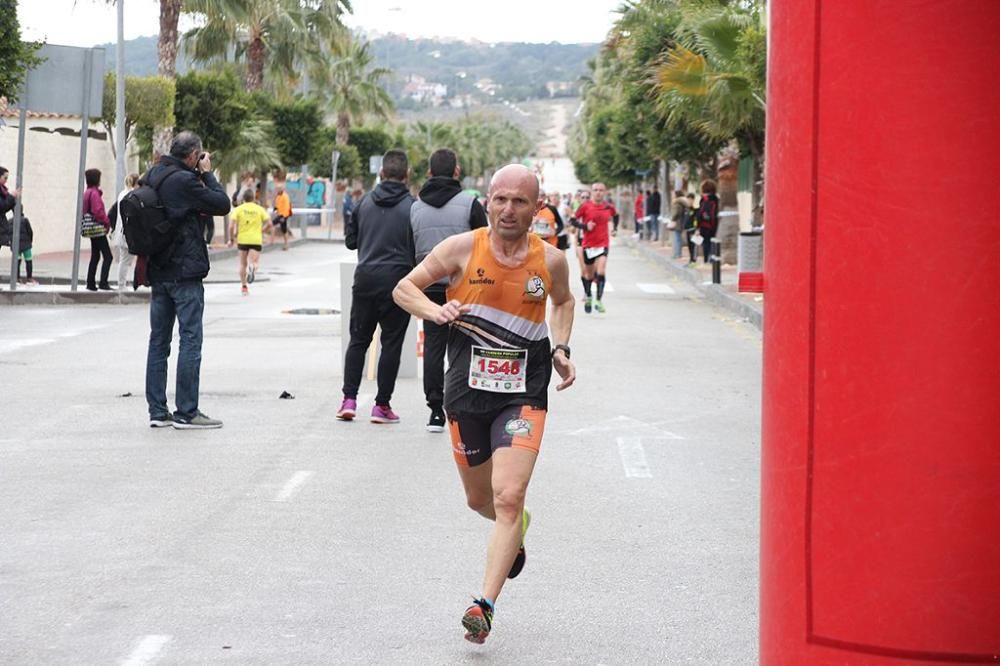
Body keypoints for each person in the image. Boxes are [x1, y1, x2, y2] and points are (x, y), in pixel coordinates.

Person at [392, 163, 576, 645]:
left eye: (520, 201)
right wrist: (437, 309)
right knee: (480, 500)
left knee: (507, 496)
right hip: (467, 394)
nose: (508, 210)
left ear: (538, 208)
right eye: (500, 199)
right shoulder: (460, 249)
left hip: (523, 393)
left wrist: (560, 347)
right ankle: (515, 530)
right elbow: (404, 288)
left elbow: (562, 302)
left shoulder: (550, 261)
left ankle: (484, 605)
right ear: (487, 201)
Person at [144, 131, 231, 429]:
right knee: (190, 340)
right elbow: (221, 204)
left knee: (158, 341)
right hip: (184, 272)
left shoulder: (153, 174)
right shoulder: (186, 181)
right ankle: (187, 411)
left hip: (158, 270)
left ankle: (157, 411)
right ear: (194, 155)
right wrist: (208, 175)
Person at [410, 148, 488, 432]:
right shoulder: (470, 204)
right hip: (467, 289)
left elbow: (411, 251)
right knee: (467, 345)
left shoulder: (415, 207)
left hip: (429, 289)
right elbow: (486, 246)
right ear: (457, 171)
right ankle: (465, 404)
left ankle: (435, 411)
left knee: (433, 346)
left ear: (429, 173)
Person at [336, 149, 416, 424]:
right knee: (391, 344)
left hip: (366, 279)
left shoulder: (364, 203)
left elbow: (350, 242)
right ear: (406, 176)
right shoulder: (413, 206)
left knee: (358, 340)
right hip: (399, 281)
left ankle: (349, 400)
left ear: (381, 173)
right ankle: (381, 406)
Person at [571, 182, 618, 313]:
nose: (598, 192)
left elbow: (616, 215)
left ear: (605, 192)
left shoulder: (609, 207)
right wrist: (585, 227)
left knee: (601, 271)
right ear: (592, 192)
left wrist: (615, 228)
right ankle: (589, 296)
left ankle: (598, 300)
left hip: (603, 244)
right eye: (596, 190)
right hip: (588, 245)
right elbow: (573, 221)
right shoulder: (585, 207)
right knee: (588, 274)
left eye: (601, 190)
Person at [227, 189, 272, 295]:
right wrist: (262, 231)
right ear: (253, 198)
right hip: (256, 239)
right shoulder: (259, 209)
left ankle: (244, 287)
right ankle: (252, 267)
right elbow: (270, 224)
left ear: (243, 199)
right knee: (255, 262)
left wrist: (231, 239)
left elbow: (231, 226)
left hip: (242, 239)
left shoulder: (238, 209)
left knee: (242, 264)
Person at [109, 174, 141, 291]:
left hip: (121, 231)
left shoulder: (122, 193)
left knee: (125, 260)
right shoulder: (131, 195)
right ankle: (122, 285)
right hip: (127, 233)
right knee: (126, 261)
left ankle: (122, 284)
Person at [83, 168, 113, 291]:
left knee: (95, 255)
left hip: (90, 229)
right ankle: (103, 282)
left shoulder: (87, 192)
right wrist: (107, 223)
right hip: (97, 228)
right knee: (108, 256)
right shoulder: (94, 194)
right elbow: (98, 211)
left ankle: (90, 283)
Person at [0, 207, 35, 285]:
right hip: (26, 245)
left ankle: (17, 279)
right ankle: (29, 278)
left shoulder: (10, 221)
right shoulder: (25, 220)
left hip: (16, 246)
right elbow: (30, 232)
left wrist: (11, 243)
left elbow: (8, 233)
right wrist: (30, 241)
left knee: (17, 262)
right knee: (28, 261)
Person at [695, 179, 720, 263]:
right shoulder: (716, 199)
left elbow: (699, 213)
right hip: (713, 224)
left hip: (703, 225)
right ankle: (712, 258)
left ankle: (706, 259)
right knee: (713, 242)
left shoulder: (703, 199)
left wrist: (697, 227)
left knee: (705, 243)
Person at [668, 189, 690, 260]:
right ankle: (678, 253)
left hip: (677, 222)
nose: (672, 195)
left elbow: (676, 213)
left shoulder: (677, 202)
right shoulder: (683, 202)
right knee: (678, 238)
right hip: (681, 221)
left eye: (673, 194)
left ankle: (677, 254)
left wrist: (672, 219)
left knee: (677, 239)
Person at [271, 182, 293, 250]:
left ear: (282, 189)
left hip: (283, 215)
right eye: (277, 188)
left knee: (272, 225)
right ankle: (284, 244)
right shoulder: (278, 196)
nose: (277, 190)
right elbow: (278, 205)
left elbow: (286, 207)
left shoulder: (285, 196)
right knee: (283, 230)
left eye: (278, 188)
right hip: (280, 214)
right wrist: (275, 208)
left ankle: (272, 241)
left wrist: (284, 217)